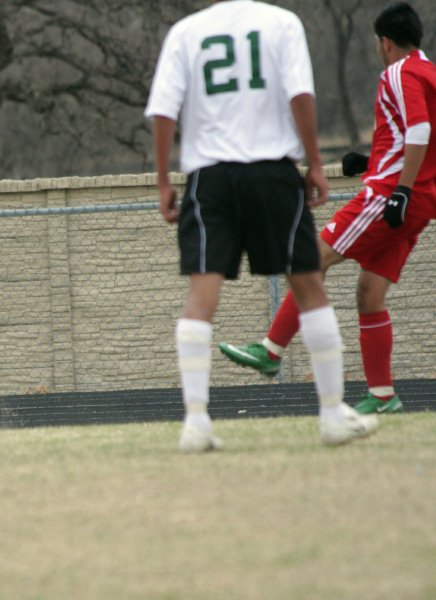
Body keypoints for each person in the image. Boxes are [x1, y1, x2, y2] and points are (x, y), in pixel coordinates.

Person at [144, 0, 378, 452]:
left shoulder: (187, 31)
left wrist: (161, 181)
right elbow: (300, 95)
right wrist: (313, 162)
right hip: (271, 171)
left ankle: (196, 422)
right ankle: (332, 413)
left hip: (209, 177)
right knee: (309, 285)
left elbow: (163, 112)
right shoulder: (281, 22)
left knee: (201, 294)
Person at [219, 2, 436, 416]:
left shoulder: (399, 71)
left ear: (384, 42)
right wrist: (371, 162)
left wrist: (399, 189)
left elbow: (420, 129)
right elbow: (423, 138)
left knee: (310, 259)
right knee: (370, 295)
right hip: (419, 201)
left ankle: (271, 350)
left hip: (390, 196)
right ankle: (383, 394)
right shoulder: (430, 72)